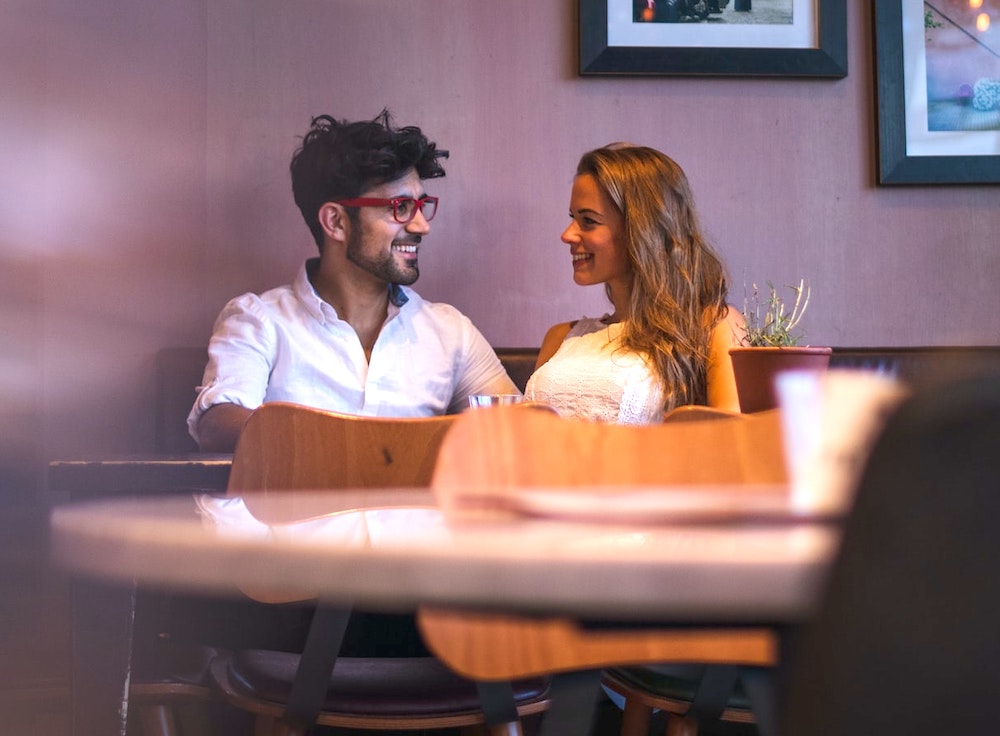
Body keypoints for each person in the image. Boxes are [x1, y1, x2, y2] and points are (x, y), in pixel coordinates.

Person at [188, 110, 518, 452]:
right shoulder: (259, 320)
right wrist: (365, 450)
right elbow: (219, 421)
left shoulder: (450, 331)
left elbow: (521, 426)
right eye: (401, 207)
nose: (421, 225)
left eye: (421, 205)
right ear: (336, 221)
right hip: (298, 508)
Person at [524, 144, 743, 423]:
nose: (567, 235)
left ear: (641, 230)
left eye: (588, 221)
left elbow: (732, 443)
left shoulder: (714, 325)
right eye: (573, 218)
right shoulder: (559, 338)